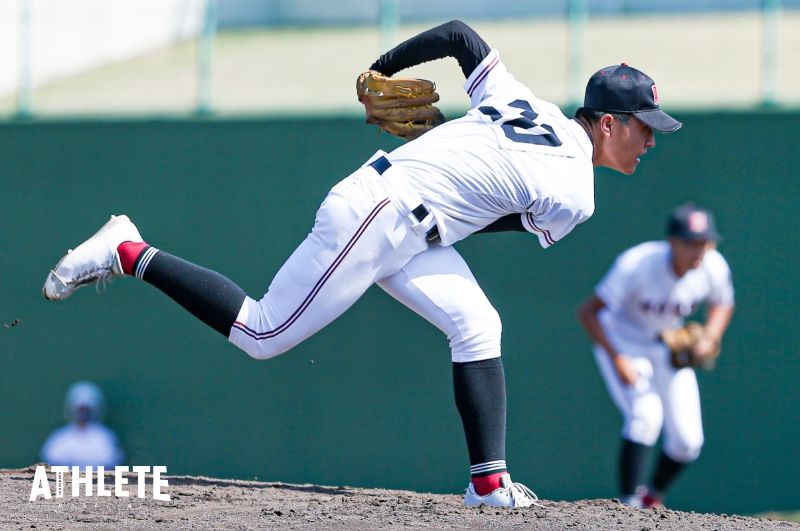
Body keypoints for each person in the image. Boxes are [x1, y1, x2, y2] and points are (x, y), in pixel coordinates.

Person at [42, 20, 681, 508]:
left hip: (410, 225)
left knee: (479, 326)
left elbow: (461, 36)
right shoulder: (577, 192)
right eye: (642, 125)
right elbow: (495, 218)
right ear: (604, 123)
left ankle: (489, 485)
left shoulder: (528, 104)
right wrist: (442, 149)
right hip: (382, 214)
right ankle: (127, 251)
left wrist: (384, 68)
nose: (651, 138)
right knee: (262, 334)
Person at [577, 203, 735, 508]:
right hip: (623, 341)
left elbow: (723, 302)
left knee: (687, 443)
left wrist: (712, 335)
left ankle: (650, 499)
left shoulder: (713, 265)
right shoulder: (638, 264)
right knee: (645, 416)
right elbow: (589, 312)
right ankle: (628, 505)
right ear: (672, 242)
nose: (700, 250)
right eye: (691, 243)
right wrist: (618, 357)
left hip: (665, 344)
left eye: (705, 242)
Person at [40, 381, 125, 468]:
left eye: (86, 410)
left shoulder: (104, 437)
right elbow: (51, 458)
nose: (83, 413)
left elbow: (111, 459)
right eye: (80, 409)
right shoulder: (60, 437)